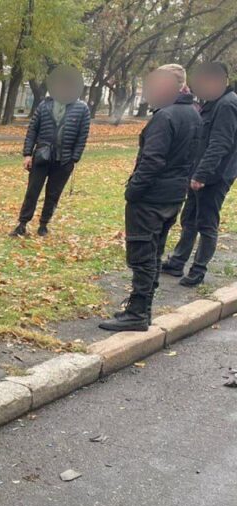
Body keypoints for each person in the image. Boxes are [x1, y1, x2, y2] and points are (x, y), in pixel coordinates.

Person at [99, 66, 200, 332]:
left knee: (143, 256)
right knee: (154, 254)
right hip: (173, 196)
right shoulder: (192, 113)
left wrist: (133, 190)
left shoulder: (166, 117)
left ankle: (137, 313)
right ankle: (141, 308)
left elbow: (152, 161)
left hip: (151, 199)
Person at [161, 61, 237, 287]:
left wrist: (201, 175)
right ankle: (177, 261)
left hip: (215, 176)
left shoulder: (227, 105)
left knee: (206, 223)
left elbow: (220, 144)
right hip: (200, 172)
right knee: (189, 219)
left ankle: (198, 270)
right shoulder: (213, 103)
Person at [11, 65, 91, 237]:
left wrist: (74, 158)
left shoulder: (82, 108)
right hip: (41, 156)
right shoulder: (44, 106)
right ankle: (22, 223)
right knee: (32, 191)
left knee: (53, 194)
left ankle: (43, 224)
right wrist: (27, 154)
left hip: (64, 160)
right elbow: (32, 130)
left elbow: (82, 136)